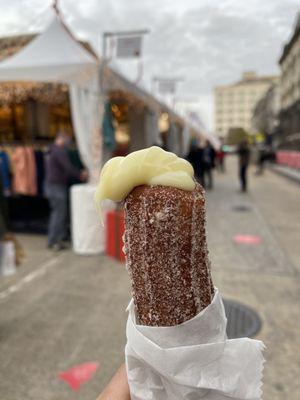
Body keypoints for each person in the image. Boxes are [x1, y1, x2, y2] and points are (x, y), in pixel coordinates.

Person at [45, 132, 87, 250]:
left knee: (58, 213)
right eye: (68, 140)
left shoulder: (52, 150)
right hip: (56, 186)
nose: (69, 143)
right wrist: (80, 175)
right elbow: (67, 168)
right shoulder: (59, 151)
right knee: (59, 214)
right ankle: (53, 241)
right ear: (61, 139)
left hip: (53, 185)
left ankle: (57, 238)